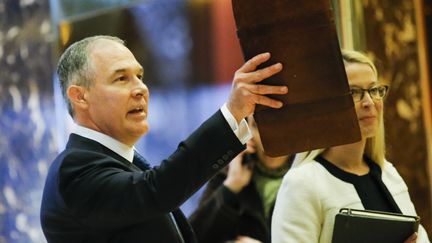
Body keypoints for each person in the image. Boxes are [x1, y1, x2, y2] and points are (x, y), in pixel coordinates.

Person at [40, 35, 288, 243]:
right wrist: (232, 113)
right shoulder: (75, 169)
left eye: (139, 76)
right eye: (121, 78)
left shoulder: (119, 160)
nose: (140, 88)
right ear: (80, 97)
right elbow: (157, 189)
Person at [271, 50, 430, 243]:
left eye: (374, 90)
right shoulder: (302, 183)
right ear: (328, 106)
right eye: (354, 92)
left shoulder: (388, 173)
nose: (369, 102)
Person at [189, 116, 293, 243]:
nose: (268, 135)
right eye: (257, 125)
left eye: (277, 123)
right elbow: (191, 238)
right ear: (248, 130)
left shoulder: (309, 172)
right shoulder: (232, 171)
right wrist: (231, 186)